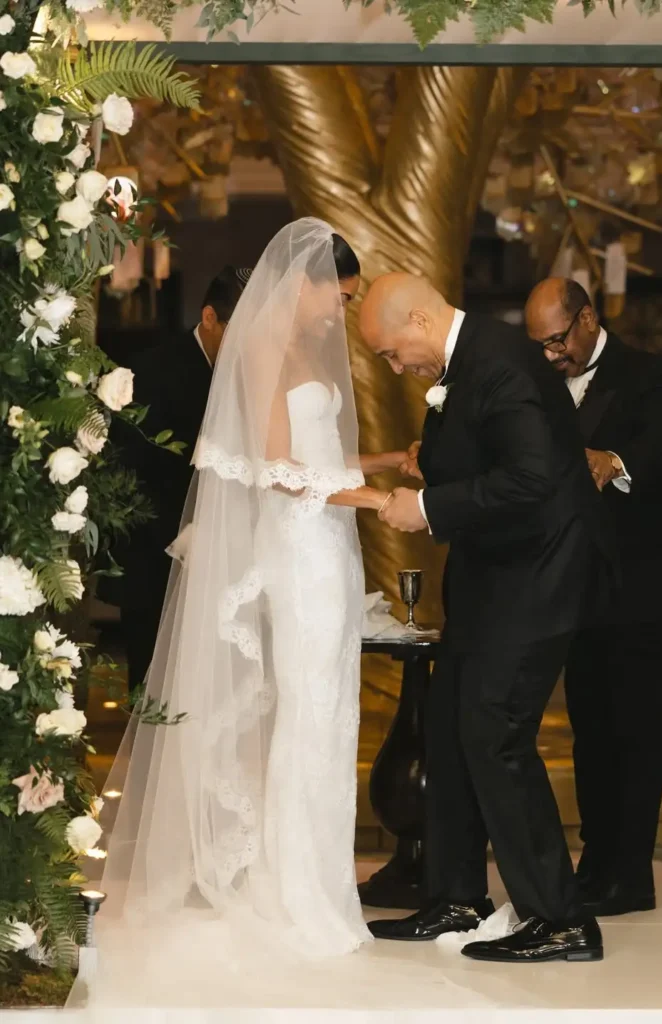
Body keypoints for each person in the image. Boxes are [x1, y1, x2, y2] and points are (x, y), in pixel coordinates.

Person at [74, 220, 413, 1009]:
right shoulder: (263, 348)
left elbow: (317, 455)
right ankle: (293, 894)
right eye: (340, 295)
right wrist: (372, 499)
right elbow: (275, 469)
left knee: (331, 717)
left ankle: (323, 890)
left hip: (331, 548)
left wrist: (384, 462)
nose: (342, 310)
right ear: (306, 282)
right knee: (305, 716)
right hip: (298, 552)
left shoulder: (310, 350)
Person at [357, 273, 611, 964]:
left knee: (495, 733)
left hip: (537, 578)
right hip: (490, 579)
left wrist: (428, 508)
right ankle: (456, 898)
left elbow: (532, 476)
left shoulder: (501, 362)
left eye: (390, 353)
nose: (395, 368)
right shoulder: (466, 364)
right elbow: (482, 454)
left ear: (418, 320)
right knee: (449, 727)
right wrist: (432, 467)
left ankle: (561, 919)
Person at [525, 278, 662, 917]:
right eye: (540, 345)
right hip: (577, 591)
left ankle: (631, 874)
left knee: (638, 733)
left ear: (587, 318)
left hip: (641, 590)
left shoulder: (647, 373)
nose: (550, 355)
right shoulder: (541, 381)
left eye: (557, 340)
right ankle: (596, 863)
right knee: (590, 733)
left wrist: (612, 459)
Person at [101, 266, 251, 691]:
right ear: (209, 317)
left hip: (230, 558)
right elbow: (129, 474)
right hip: (156, 557)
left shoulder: (254, 373)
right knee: (153, 682)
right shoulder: (151, 371)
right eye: (239, 332)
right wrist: (186, 538)